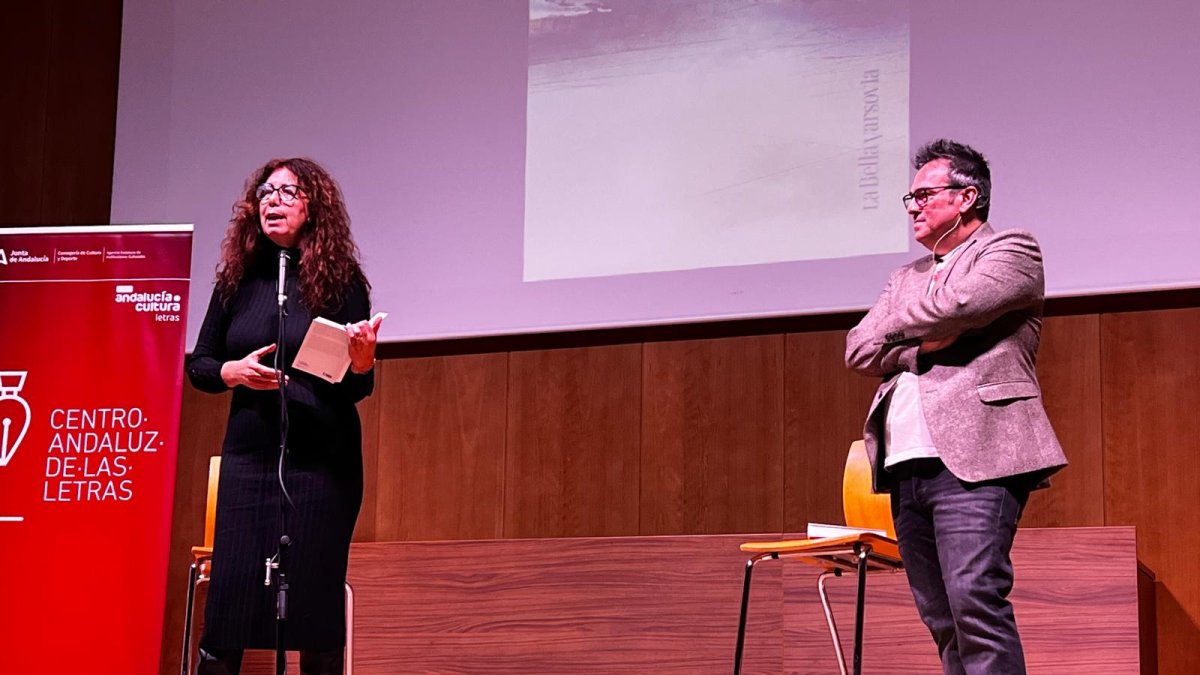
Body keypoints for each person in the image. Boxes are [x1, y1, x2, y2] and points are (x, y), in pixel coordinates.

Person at [845, 139, 1067, 674]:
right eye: (910, 197)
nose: (914, 207)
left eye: (924, 195)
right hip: (904, 465)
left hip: (978, 455)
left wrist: (898, 328)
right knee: (941, 617)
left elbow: (960, 305)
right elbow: (857, 347)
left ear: (966, 196)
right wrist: (924, 340)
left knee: (975, 603)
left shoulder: (1012, 250)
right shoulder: (906, 276)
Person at [186, 158, 383, 674]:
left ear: (313, 205)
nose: (272, 200)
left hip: (323, 463)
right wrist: (233, 371)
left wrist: (361, 359)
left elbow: (360, 385)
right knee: (228, 606)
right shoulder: (237, 281)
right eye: (265, 192)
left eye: (287, 191)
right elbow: (200, 365)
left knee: (315, 608)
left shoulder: (341, 282)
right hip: (250, 461)